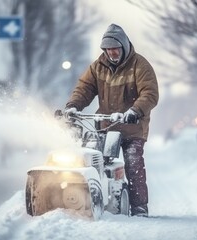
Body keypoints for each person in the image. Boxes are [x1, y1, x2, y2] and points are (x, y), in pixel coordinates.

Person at [64, 23, 159, 217]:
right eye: (107, 50)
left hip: (133, 127)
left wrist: (135, 110)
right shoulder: (97, 67)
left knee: (133, 165)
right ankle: (91, 201)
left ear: (123, 47)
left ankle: (140, 208)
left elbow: (150, 93)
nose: (111, 53)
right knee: (92, 161)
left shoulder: (139, 65)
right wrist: (73, 106)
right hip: (106, 125)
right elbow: (84, 89)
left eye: (115, 49)